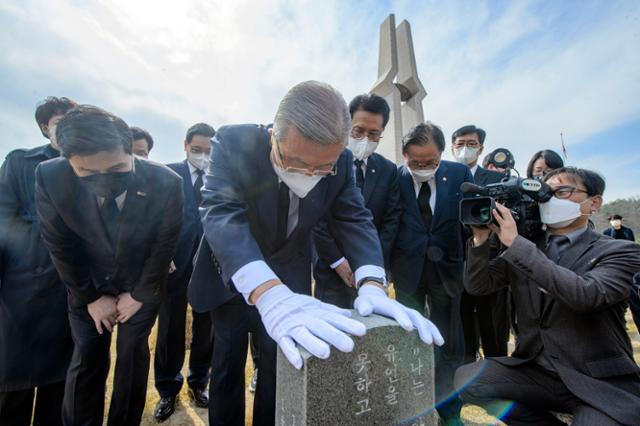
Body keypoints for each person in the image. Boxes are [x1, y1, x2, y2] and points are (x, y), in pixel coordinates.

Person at [187, 81, 443, 426]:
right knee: (228, 364)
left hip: (291, 278)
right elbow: (220, 213)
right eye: (293, 161)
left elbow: (354, 217)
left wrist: (371, 281)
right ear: (273, 135)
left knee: (282, 368)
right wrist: (266, 292)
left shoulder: (344, 162)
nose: (308, 175)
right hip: (232, 274)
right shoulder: (235, 142)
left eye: (321, 168)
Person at [455, 167, 640, 425]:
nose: (550, 199)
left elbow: (585, 295)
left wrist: (516, 243)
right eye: (545, 193)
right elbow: (478, 285)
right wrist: (480, 239)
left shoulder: (621, 250)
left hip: (597, 381)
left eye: (562, 191)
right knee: (469, 381)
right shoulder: (527, 245)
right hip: (538, 372)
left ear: (594, 202)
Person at [35, 105, 183, 426]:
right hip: (86, 284)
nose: (104, 179)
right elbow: (59, 243)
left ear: (130, 151)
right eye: (88, 173)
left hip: (141, 283)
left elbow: (164, 245)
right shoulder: (50, 177)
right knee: (87, 355)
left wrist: (140, 293)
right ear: (69, 161)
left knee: (131, 354)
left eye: (116, 167)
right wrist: (89, 298)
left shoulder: (166, 183)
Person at [0, 96, 76, 426]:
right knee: (12, 387)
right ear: (46, 128)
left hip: (68, 293)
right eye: (59, 123)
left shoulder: (87, 168)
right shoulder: (20, 163)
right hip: (19, 292)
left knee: (58, 392)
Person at [390, 122, 473, 425]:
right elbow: (387, 224)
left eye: (431, 162)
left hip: (447, 273)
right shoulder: (392, 178)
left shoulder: (460, 174)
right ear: (404, 154)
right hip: (407, 272)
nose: (423, 167)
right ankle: (412, 408)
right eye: (416, 162)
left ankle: (450, 413)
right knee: (409, 339)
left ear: (441, 153)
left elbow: (467, 223)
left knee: (448, 343)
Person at [313, 93, 401, 308]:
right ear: (346, 126)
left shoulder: (387, 170)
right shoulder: (325, 161)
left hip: (373, 272)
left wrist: (373, 267)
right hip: (331, 267)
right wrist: (338, 262)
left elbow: (391, 220)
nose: (365, 139)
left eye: (373, 134)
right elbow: (317, 217)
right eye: (358, 131)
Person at [153, 122, 216, 421]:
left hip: (209, 267)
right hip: (173, 265)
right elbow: (152, 220)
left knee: (206, 329)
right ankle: (167, 390)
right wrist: (161, 257)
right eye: (197, 149)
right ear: (185, 145)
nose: (203, 155)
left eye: (208, 150)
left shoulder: (219, 177)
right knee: (170, 329)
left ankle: (199, 382)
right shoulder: (167, 174)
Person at [451, 125, 510, 364]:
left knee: (492, 322)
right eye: (460, 143)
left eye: (472, 144)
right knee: (462, 321)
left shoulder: (497, 179)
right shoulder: (447, 177)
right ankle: (467, 373)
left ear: (481, 147)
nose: (465, 148)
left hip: (491, 261)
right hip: (456, 263)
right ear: (452, 147)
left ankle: (499, 369)